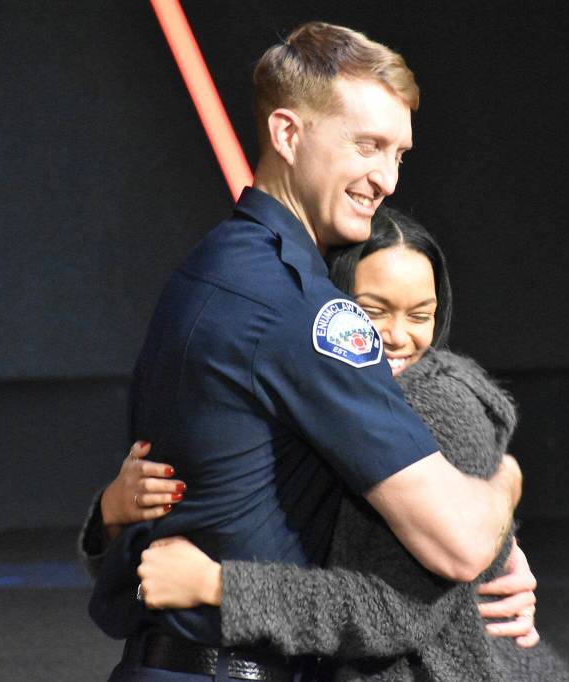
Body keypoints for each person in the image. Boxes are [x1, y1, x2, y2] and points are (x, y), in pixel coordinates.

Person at [83, 22, 525, 681]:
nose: (387, 179)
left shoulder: (208, 269)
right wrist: (505, 481)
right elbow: (458, 541)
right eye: (369, 145)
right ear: (288, 134)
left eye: (398, 154)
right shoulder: (303, 311)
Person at [86, 207, 569, 680]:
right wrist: (111, 516)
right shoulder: (315, 405)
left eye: (421, 314)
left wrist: (219, 586)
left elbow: (402, 606)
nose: (398, 336)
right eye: (373, 311)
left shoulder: (435, 409)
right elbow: (140, 588)